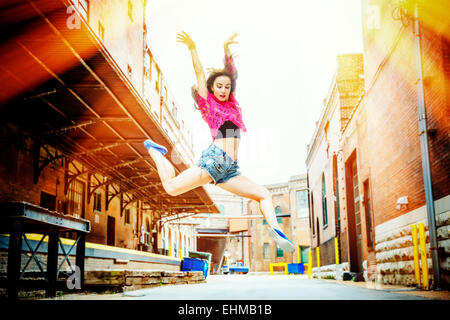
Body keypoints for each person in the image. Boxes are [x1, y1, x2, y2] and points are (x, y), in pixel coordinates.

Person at [143, 31, 295, 253]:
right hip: (215, 160)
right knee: (171, 188)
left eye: (226, 87)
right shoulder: (209, 105)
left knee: (263, 194)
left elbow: (232, 74)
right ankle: (155, 151)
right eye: (219, 86)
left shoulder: (232, 105)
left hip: (231, 170)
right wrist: (193, 48)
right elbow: (197, 71)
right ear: (211, 88)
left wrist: (226, 50)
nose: (223, 90)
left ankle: (276, 231)